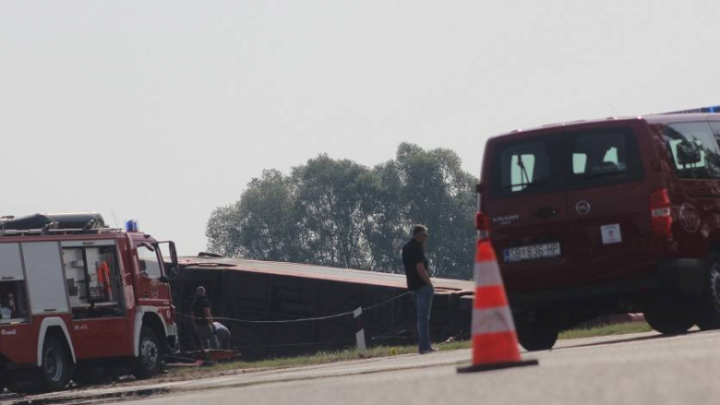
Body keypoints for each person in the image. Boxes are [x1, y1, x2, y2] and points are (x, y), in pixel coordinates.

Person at [402, 225, 436, 354]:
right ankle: (425, 347)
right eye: (424, 235)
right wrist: (429, 284)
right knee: (424, 319)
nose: (426, 237)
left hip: (412, 286)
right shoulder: (416, 248)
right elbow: (420, 268)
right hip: (422, 287)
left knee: (421, 317)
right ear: (418, 234)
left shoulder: (406, 247)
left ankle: (425, 345)